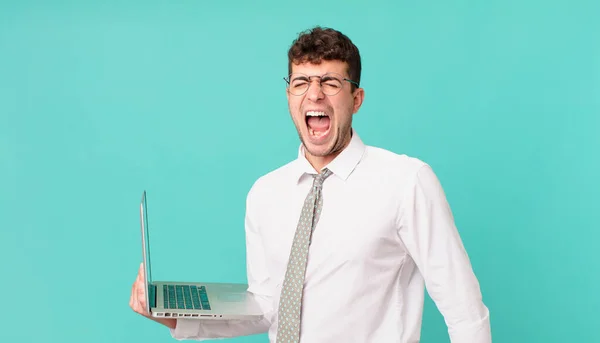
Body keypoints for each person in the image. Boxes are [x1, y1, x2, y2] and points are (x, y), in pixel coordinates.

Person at [129, 26, 492, 342]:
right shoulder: (264, 193)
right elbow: (268, 308)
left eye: (331, 82)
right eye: (301, 82)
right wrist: (176, 316)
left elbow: (464, 311)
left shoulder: (406, 181)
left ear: (356, 99)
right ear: (289, 96)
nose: (314, 94)